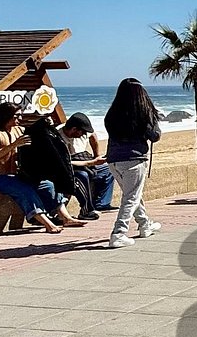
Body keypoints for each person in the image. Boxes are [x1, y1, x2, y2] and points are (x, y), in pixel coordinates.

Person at [0, 102, 65, 234]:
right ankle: (48, 224)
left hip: (16, 175)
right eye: (16, 116)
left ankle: (65, 217)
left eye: (20, 116)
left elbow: (36, 136)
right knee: (25, 190)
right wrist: (14, 145)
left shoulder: (19, 130)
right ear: (6, 116)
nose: (20, 119)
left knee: (48, 185)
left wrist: (46, 126)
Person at [104, 78, 164, 249]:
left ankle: (144, 224)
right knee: (131, 197)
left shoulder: (112, 114)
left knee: (132, 194)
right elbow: (155, 136)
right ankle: (119, 233)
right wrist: (153, 116)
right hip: (134, 160)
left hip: (114, 160)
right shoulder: (142, 113)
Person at [19, 114, 89, 225]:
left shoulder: (48, 133)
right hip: (21, 175)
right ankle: (51, 218)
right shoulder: (42, 134)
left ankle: (64, 217)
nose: (51, 121)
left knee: (55, 182)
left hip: (39, 173)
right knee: (45, 186)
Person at [61, 113, 114, 218]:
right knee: (83, 175)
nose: (84, 134)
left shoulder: (82, 131)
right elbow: (64, 163)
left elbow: (93, 135)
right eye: (83, 132)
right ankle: (86, 210)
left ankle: (101, 204)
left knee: (108, 169)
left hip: (84, 161)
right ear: (74, 129)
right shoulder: (57, 136)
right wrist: (92, 162)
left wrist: (96, 155)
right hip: (68, 168)